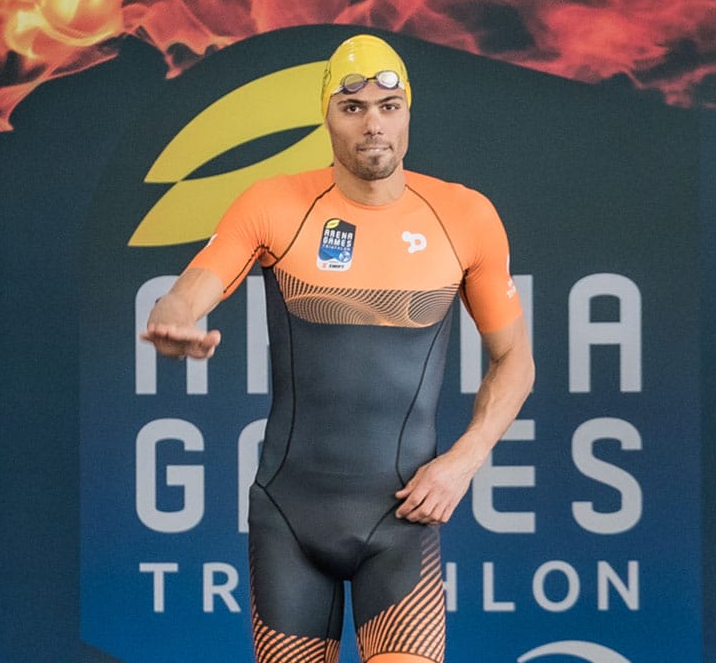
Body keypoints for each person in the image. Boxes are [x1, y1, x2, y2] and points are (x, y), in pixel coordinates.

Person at [141, 34, 534, 663]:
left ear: (408, 111)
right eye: (353, 108)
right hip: (289, 520)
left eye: (388, 105)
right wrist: (173, 318)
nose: (372, 123)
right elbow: (188, 292)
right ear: (327, 116)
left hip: (402, 518)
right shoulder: (275, 204)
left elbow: (514, 356)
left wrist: (464, 459)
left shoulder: (464, 216)